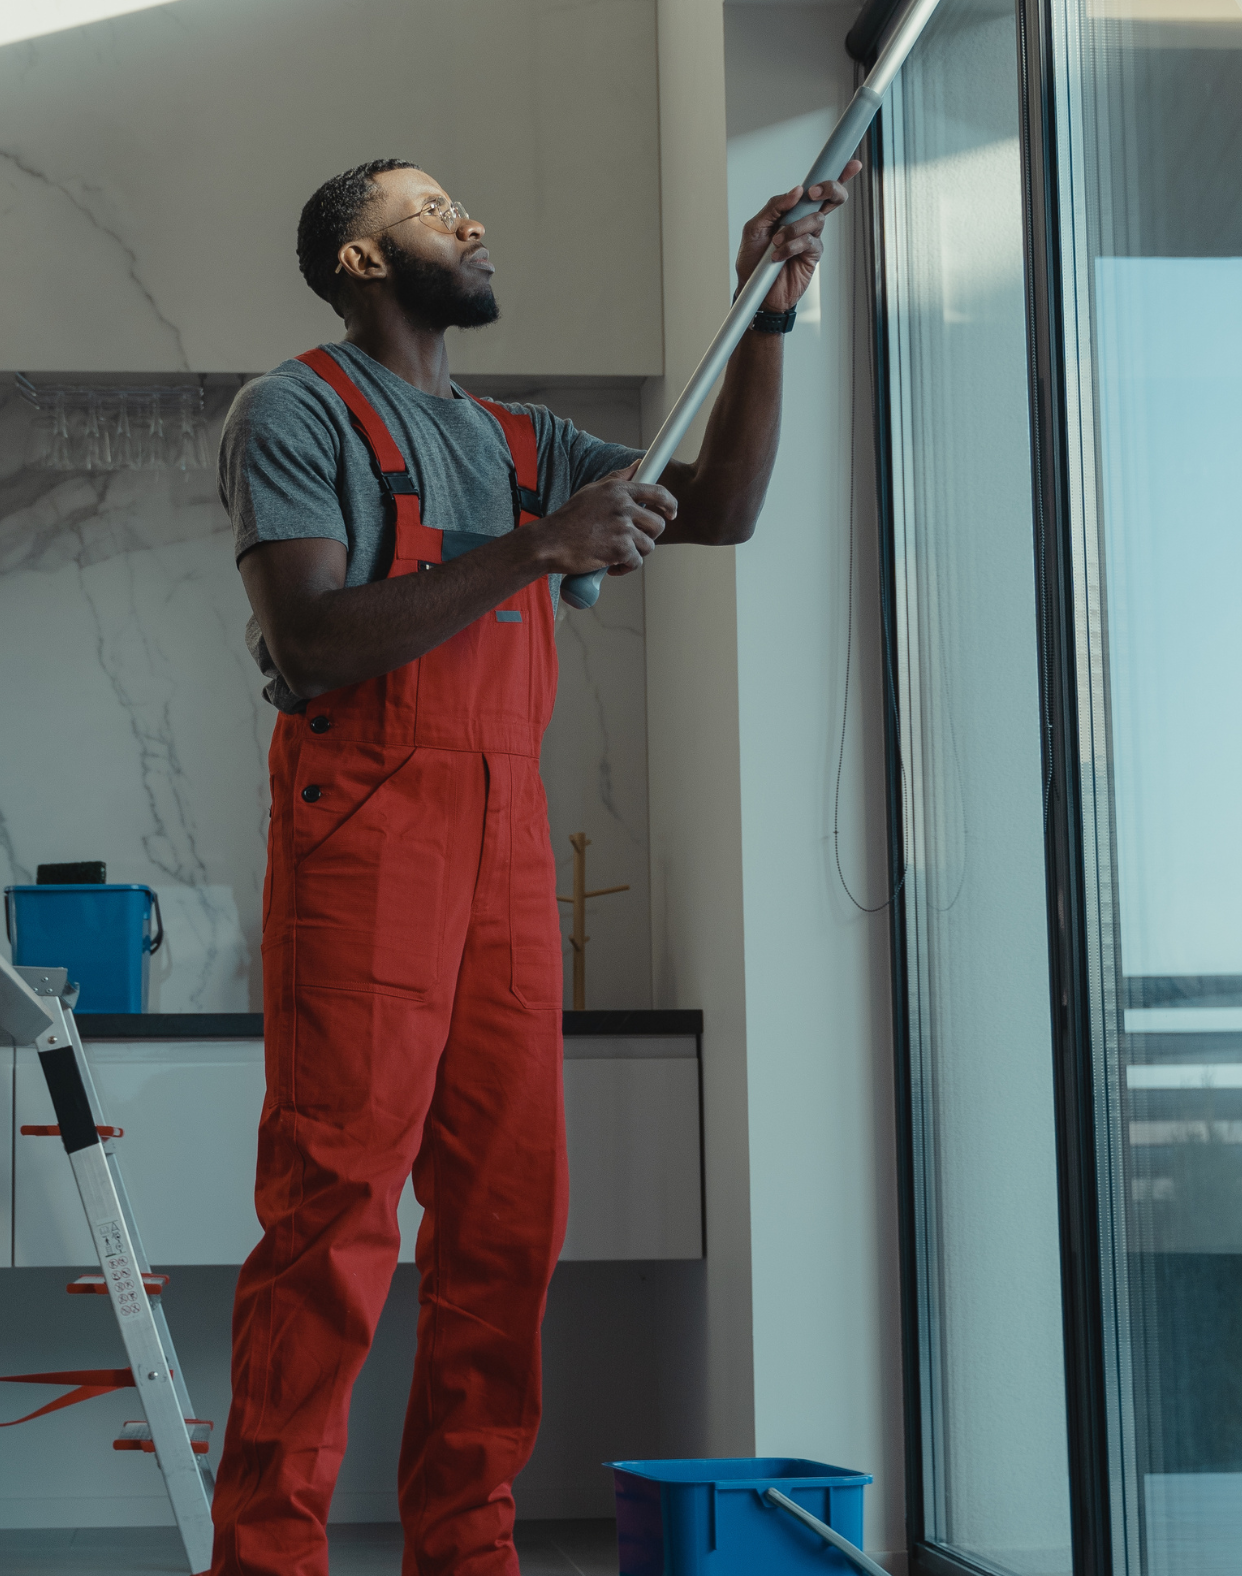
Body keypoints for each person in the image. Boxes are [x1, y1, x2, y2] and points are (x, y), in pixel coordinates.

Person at [211, 154, 855, 1576]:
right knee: (335, 1218)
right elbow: (311, 644)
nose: (474, 222)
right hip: (364, 828)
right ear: (361, 261)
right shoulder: (294, 412)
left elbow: (727, 504)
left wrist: (767, 319)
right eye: (434, 211)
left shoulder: (519, 438)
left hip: (501, 832)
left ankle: (467, 1548)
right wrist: (534, 551)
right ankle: (265, 1559)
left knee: (507, 1220)